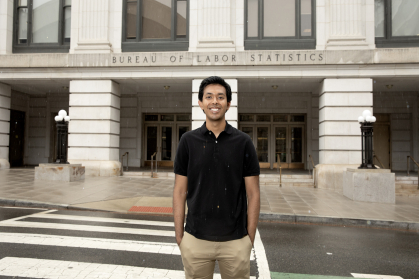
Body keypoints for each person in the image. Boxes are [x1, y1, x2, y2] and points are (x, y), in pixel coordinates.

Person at [173, 76, 260, 279]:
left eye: (220, 97)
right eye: (209, 96)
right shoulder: (188, 141)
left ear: (228, 104)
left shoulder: (243, 142)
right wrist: (180, 236)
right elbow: (179, 190)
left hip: (235, 241)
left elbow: (253, 193)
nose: (215, 101)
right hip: (195, 239)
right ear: (200, 103)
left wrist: (249, 238)